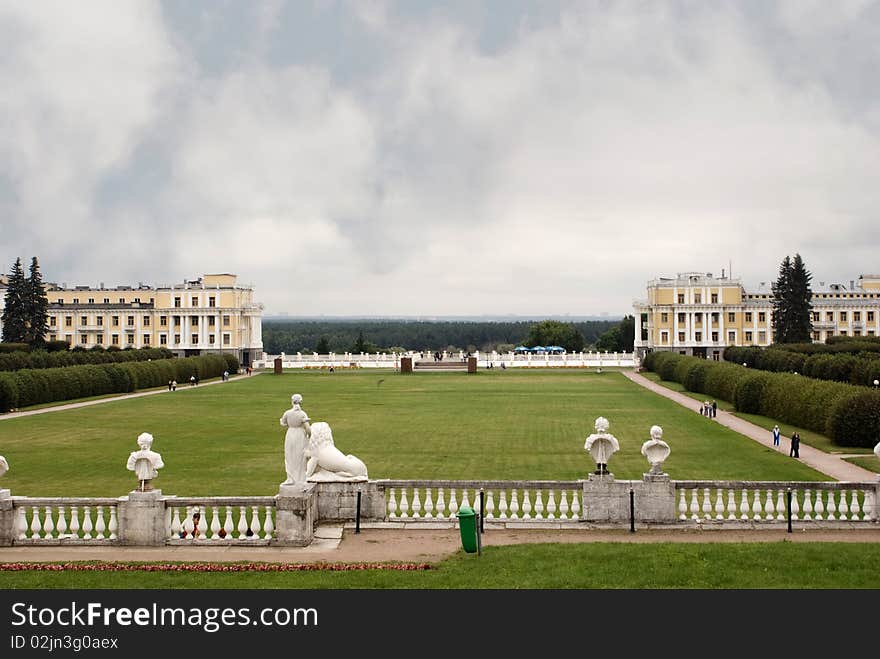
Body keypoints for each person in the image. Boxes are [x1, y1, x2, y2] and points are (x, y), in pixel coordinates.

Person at [280, 393, 311, 485]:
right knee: (300, 456)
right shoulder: (302, 414)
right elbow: (308, 428)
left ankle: (291, 478)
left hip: (290, 434)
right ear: (300, 401)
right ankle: (300, 478)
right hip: (300, 435)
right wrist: (310, 436)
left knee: (290, 456)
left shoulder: (287, 413)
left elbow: (283, 422)